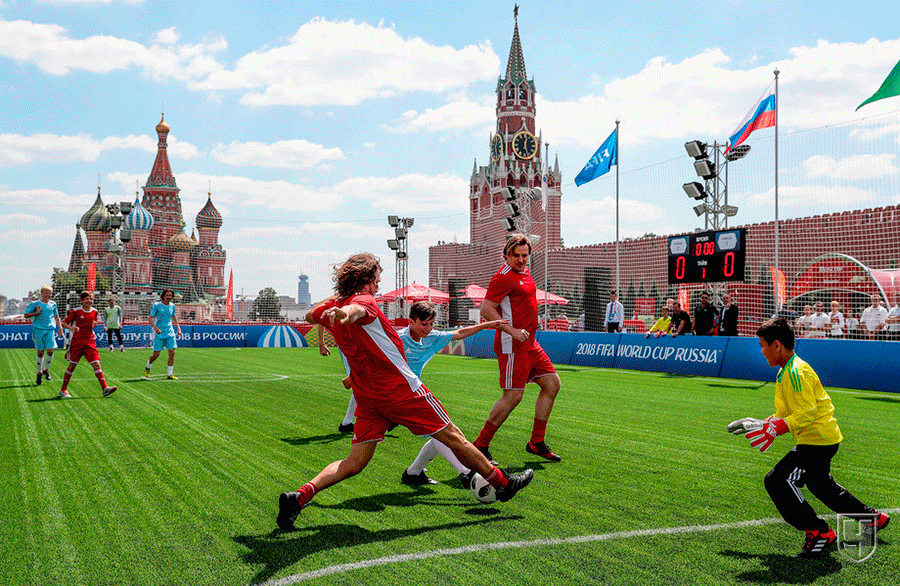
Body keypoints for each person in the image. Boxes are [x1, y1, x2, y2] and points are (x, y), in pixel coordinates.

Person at [277, 253, 533, 531]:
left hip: (369, 398)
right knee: (453, 436)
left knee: (354, 461)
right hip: (401, 389)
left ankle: (299, 497)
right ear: (365, 281)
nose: (377, 286)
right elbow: (359, 310)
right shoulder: (363, 301)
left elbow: (310, 314)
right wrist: (347, 313)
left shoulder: (334, 306)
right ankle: (503, 483)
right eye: (376, 280)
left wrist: (332, 311)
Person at [730, 318, 890, 558]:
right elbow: (787, 414)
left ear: (777, 345)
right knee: (820, 485)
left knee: (777, 481)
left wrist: (778, 428)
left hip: (817, 440)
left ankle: (819, 533)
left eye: (762, 345)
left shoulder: (796, 371)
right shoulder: (786, 371)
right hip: (821, 437)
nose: (761, 351)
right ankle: (873, 518)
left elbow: (807, 412)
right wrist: (761, 423)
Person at [475, 235, 564, 464]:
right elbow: (486, 309)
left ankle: (536, 442)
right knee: (513, 396)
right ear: (506, 255)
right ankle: (480, 446)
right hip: (512, 345)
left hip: (531, 344)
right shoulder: (503, 277)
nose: (521, 259)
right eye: (516, 255)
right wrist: (513, 331)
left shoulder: (524, 274)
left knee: (552, 384)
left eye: (525, 255)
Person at [398, 300, 507, 486]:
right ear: (411, 321)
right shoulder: (398, 339)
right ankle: (465, 472)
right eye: (424, 324)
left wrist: (487, 324)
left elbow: (460, 333)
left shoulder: (432, 337)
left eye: (431, 324)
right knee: (441, 429)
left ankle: (414, 473)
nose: (428, 328)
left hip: (414, 391)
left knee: (440, 431)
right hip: (398, 395)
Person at [58, 292, 117, 399]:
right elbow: (64, 323)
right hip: (77, 342)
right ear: (82, 300)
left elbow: (95, 321)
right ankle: (63, 390)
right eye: (87, 299)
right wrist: (71, 328)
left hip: (90, 341)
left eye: (91, 299)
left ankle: (104, 388)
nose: (89, 301)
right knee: (72, 366)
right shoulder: (76, 311)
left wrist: (95, 324)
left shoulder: (95, 311)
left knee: (96, 364)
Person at [317, 324, 356, 433]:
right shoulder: (334, 308)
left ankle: (347, 423)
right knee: (359, 382)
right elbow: (320, 318)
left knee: (363, 382)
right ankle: (347, 422)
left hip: (357, 342)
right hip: (347, 345)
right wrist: (321, 343)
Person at [23, 285, 64, 386]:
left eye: (50, 293)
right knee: (40, 352)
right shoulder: (35, 304)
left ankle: (46, 370)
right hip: (38, 330)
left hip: (50, 329)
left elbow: (56, 316)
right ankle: (39, 373)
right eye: (46, 293)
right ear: (42, 293)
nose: (48, 295)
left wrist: (60, 327)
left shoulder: (53, 304)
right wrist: (36, 313)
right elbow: (25, 315)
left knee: (50, 350)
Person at [142, 289, 182, 380]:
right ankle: (148, 367)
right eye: (167, 295)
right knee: (156, 355)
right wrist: (155, 328)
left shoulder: (172, 306)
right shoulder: (157, 305)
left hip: (170, 332)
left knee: (172, 352)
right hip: (159, 333)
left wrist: (178, 329)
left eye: (170, 295)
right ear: (163, 296)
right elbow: (150, 319)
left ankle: (170, 374)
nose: (169, 297)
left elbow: (174, 317)